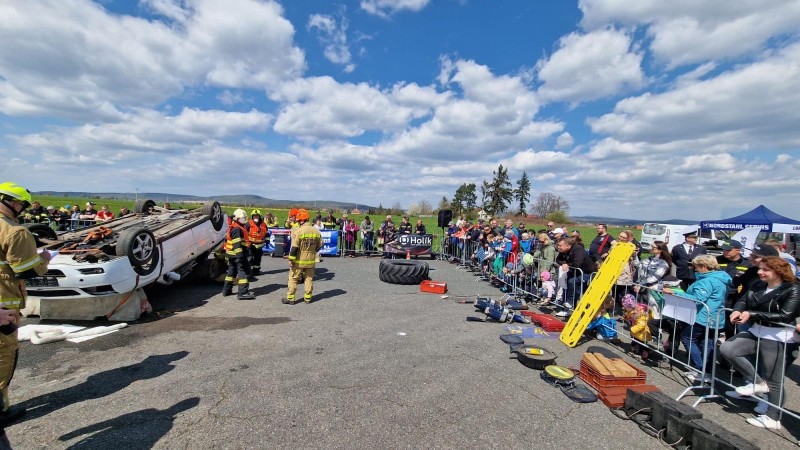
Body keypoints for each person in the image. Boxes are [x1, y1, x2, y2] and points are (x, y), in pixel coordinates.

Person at [720, 256, 800, 430]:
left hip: (779, 336)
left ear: (779, 272)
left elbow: (786, 316)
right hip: (757, 331)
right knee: (728, 349)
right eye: (760, 268)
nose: (760, 272)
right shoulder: (757, 284)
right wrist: (737, 310)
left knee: (774, 379)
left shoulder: (792, 290)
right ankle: (757, 384)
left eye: (765, 270)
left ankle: (773, 417)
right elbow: (743, 300)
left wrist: (751, 314)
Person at [0, 182, 52, 424]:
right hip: (4, 305)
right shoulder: (15, 232)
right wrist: (43, 259)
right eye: (21, 204)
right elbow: (26, 271)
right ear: (14, 203)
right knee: (3, 354)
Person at [664, 255, 731, 383]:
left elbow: (698, 298)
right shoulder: (720, 279)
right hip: (715, 316)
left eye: (696, 267)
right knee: (707, 343)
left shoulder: (707, 281)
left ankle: (700, 367)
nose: (693, 269)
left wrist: (675, 293)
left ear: (704, 267)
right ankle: (707, 372)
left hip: (704, 316)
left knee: (687, 337)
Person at [282, 209, 322, 305]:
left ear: (301, 220)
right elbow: (321, 244)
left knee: (293, 278)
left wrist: (291, 259)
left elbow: (294, 247)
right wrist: (313, 251)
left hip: (299, 260)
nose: (298, 222)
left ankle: (291, 298)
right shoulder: (316, 231)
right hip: (311, 260)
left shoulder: (299, 231)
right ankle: (308, 298)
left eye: (299, 220)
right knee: (308, 278)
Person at [554, 237, 597, 317]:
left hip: (588, 272)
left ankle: (574, 305)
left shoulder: (578, 249)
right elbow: (558, 259)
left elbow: (577, 263)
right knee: (569, 285)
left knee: (573, 283)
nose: (558, 247)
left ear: (567, 245)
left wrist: (567, 264)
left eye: (560, 245)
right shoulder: (564, 251)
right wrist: (563, 263)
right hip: (576, 272)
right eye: (558, 245)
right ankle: (569, 308)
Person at [222, 209, 255, 300]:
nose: (244, 219)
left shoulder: (236, 226)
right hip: (238, 255)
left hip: (232, 254)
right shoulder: (237, 229)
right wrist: (240, 256)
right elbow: (237, 244)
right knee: (242, 273)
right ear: (237, 218)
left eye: (244, 218)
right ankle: (243, 293)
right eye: (242, 218)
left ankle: (226, 290)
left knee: (231, 273)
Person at [246, 210, 269, 276]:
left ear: (259, 216)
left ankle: (256, 271)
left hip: (259, 245)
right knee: (249, 258)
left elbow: (267, 233)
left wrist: (267, 240)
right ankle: (248, 272)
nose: (255, 217)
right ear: (252, 217)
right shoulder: (248, 224)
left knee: (258, 259)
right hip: (250, 245)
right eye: (254, 216)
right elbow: (244, 233)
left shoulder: (264, 224)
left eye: (257, 216)